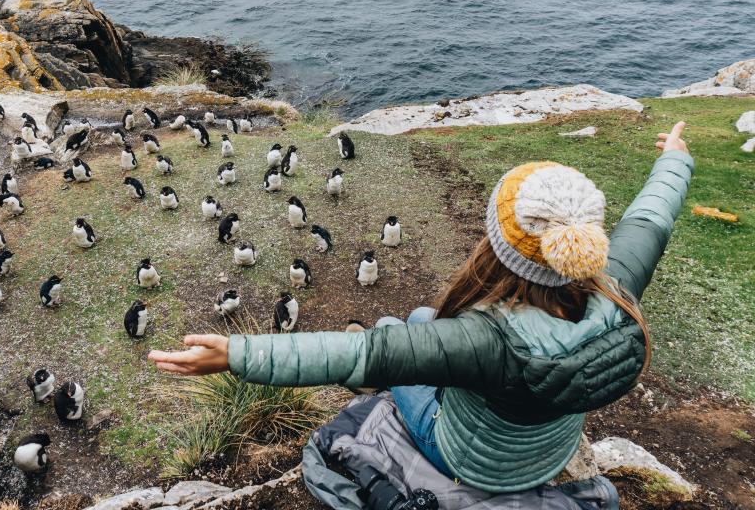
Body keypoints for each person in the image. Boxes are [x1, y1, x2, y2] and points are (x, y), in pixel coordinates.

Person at [149, 122, 693, 493]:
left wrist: (237, 354)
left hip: (472, 460)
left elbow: (355, 354)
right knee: (418, 326)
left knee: (395, 331)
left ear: (500, 252)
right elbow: (650, 219)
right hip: (550, 449)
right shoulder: (616, 288)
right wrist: (673, 160)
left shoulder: (485, 340)